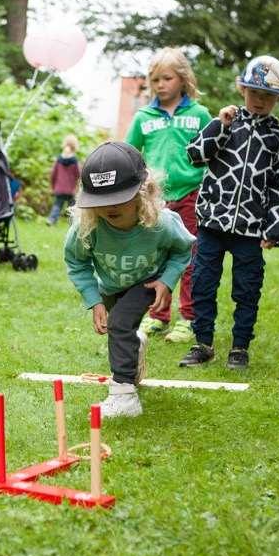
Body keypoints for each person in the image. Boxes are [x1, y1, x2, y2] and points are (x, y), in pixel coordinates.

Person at [179, 55, 279, 370]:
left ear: (277, 99)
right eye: (255, 93)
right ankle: (202, 342)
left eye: (268, 96)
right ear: (242, 89)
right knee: (202, 282)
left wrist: (276, 227)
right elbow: (195, 155)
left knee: (247, 288)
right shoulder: (227, 121)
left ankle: (240, 347)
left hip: (250, 228)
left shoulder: (277, 137)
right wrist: (220, 124)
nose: (260, 100)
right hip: (212, 222)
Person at [64, 142, 195, 418]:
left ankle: (124, 396)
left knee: (119, 322)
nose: (109, 207)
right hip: (110, 285)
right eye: (101, 202)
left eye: (118, 199)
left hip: (148, 280)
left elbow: (183, 248)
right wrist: (94, 300)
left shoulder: (161, 223)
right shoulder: (88, 226)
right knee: (122, 328)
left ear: (143, 193)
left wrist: (166, 281)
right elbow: (76, 261)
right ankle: (134, 346)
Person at [125, 48, 213, 344]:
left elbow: (215, 151)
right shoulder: (143, 117)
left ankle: (188, 318)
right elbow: (130, 154)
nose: (160, 84)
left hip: (192, 194)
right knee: (156, 258)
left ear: (183, 79)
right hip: (155, 199)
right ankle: (157, 314)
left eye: (167, 78)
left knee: (189, 257)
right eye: (155, 79)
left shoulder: (199, 114)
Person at [46, 135, 80, 226]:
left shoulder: (59, 159)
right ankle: (73, 223)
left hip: (59, 188)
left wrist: (53, 186)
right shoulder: (74, 160)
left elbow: (53, 174)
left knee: (57, 205)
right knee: (72, 207)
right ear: (75, 146)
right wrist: (77, 187)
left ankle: (51, 220)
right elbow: (78, 175)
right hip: (71, 189)